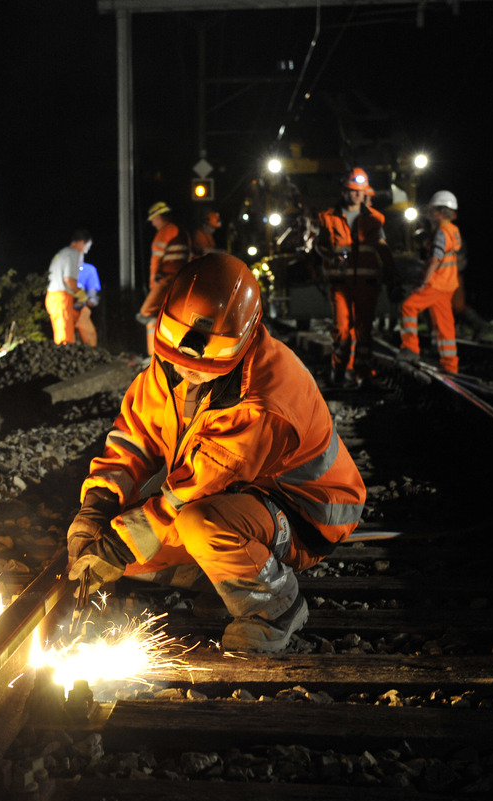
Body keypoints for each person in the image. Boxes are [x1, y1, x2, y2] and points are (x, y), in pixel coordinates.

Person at [67, 253, 367, 653]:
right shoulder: (173, 364)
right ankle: (223, 577)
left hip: (303, 512)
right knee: (124, 545)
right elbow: (132, 438)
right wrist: (97, 507)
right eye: (179, 360)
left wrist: (117, 546)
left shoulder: (262, 399)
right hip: (238, 494)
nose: (187, 372)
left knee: (195, 524)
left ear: (242, 343)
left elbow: (189, 492)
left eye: (202, 366)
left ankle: (277, 605)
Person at [313, 167, 393, 385]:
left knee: (364, 330)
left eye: (360, 191)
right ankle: (339, 369)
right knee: (341, 329)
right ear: (344, 191)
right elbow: (319, 245)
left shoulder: (375, 219)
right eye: (352, 190)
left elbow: (383, 247)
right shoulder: (328, 218)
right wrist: (330, 256)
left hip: (367, 284)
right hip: (340, 284)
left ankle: (363, 372)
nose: (357, 194)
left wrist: (393, 273)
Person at [398, 190, 462, 373]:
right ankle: (450, 365)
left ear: (441, 212)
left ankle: (410, 348)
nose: (430, 213)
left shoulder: (442, 232)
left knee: (408, 307)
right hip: (448, 285)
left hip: (437, 283)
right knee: (445, 325)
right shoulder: (453, 230)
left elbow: (435, 259)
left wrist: (424, 283)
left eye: (433, 210)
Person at [138, 202, 190, 357]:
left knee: (145, 313)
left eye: (154, 219)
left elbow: (155, 260)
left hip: (167, 280)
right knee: (162, 317)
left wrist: (152, 283)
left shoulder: (165, 231)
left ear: (159, 217)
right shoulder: (182, 231)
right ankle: (165, 354)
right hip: (181, 281)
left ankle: (154, 356)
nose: (153, 223)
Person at [45, 229, 92, 345]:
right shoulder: (72, 253)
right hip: (60, 298)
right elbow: (69, 280)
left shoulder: (63, 253)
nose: (85, 251)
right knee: (65, 340)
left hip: (54, 297)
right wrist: (81, 294)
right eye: (87, 247)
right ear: (81, 243)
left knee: (66, 330)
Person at [73, 261, 101, 347]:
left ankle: (90, 352)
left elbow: (93, 293)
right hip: (66, 307)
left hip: (82, 309)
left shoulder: (88, 269)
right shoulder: (64, 267)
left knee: (89, 335)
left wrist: (91, 299)